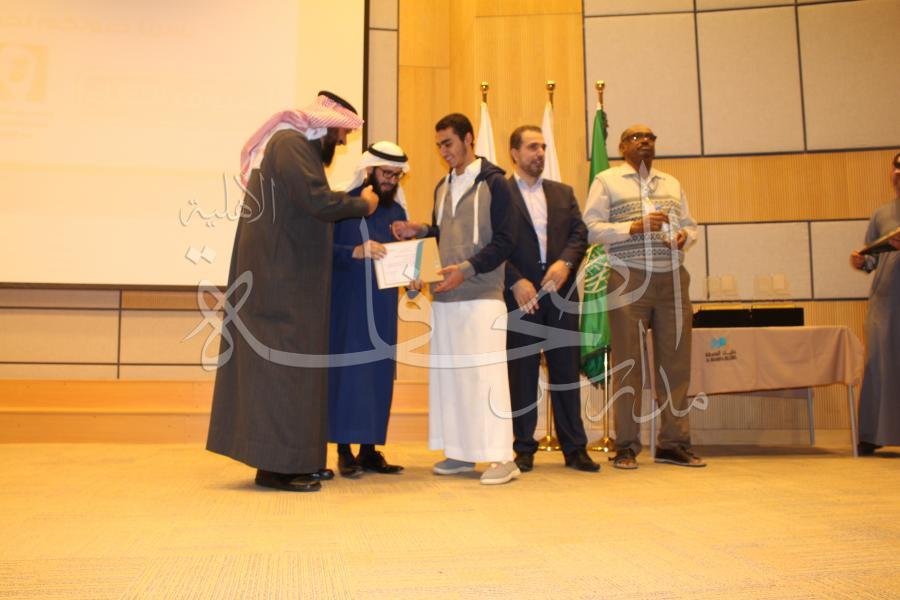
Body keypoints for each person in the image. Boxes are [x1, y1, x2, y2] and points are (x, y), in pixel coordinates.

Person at [207, 91, 378, 492]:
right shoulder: (290, 143)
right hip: (279, 285)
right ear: (326, 125)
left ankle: (299, 460)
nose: (342, 142)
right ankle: (275, 468)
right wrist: (363, 205)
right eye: (341, 134)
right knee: (281, 374)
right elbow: (317, 201)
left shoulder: (296, 148)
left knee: (298, 372)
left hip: (292, 283)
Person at [393, 113, 519, 485]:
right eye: (439, 146)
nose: (443, 152)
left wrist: (467, 269)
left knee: (486, 378)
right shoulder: (442, 186)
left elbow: (506, 241)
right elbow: (443, 234)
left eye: (448, 143)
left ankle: (504, 457)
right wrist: (421, 230)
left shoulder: (496, 184)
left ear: (468, 139)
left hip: (483, 295)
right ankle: (461, 453)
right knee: (453, 378)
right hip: (446, 297)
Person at [582, 124, 705, 469]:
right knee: (628, 365)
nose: (645, 142)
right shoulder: (607, 181)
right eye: (636, 138)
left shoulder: (671, 183)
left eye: (650, 138)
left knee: (676, 365)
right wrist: (632, 228)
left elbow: (691, 225)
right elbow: (590, 228)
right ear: (622, 146)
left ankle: (673, 443)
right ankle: (625, 445)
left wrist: (684, 237)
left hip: (672, 279)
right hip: (628, 278)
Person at [503, 125, 599, 473]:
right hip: (521, 297)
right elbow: (491, 243)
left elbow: (579, 233)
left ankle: (575, 449)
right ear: (514, 153)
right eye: (532, 147)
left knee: (566, 373)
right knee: (522, 375)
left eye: (543, 146)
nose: (540, 153)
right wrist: (515, 280)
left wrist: (565, 264)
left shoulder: (563, 192)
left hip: (561, 295)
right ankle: (523, 448)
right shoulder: (499, 194)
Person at [328, 142, 410, 477]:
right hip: (348, 307)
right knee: (349, 376)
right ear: (370, 170)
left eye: (397, 175)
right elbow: (321, 249)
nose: (391, 180)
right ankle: (344, 451)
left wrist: (414, 278)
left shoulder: (398, 213)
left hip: (383, 308)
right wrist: (355, 251)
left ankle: (369, 450)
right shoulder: (345, 205)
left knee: (377, 377)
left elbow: (405, 258)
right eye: (386, 173)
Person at [849, 151, 900, 456]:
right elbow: (871, 258)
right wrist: (861, 260)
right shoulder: (882, 214)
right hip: (886, 301)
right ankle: (873, 433)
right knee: (879, 363)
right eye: (896, 169)